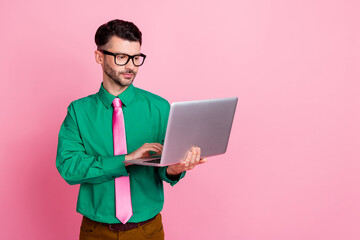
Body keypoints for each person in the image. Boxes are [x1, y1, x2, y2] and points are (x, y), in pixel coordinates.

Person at [56, 19, 207, 240]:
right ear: (99, 57)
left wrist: (175, 168)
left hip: (147, 231)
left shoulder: (159, 108)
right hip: (95, 232)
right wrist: (125, 159)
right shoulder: (78, 111)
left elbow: (165, 167)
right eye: (121, 57)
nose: (130, 66)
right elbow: (69, 168)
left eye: (136, 58)